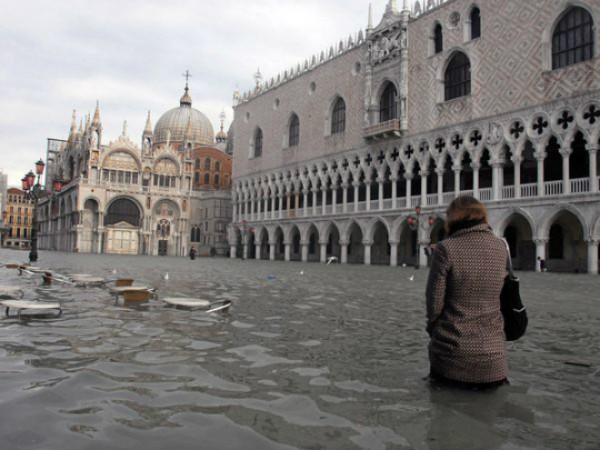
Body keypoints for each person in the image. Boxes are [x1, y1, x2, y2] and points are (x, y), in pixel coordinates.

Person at [426, 196, 508, 390]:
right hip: (494, 360)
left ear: (453, 217)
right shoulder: (501, 247)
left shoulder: (446, 248)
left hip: (452, 357)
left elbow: (434, 303)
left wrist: (434, 332)